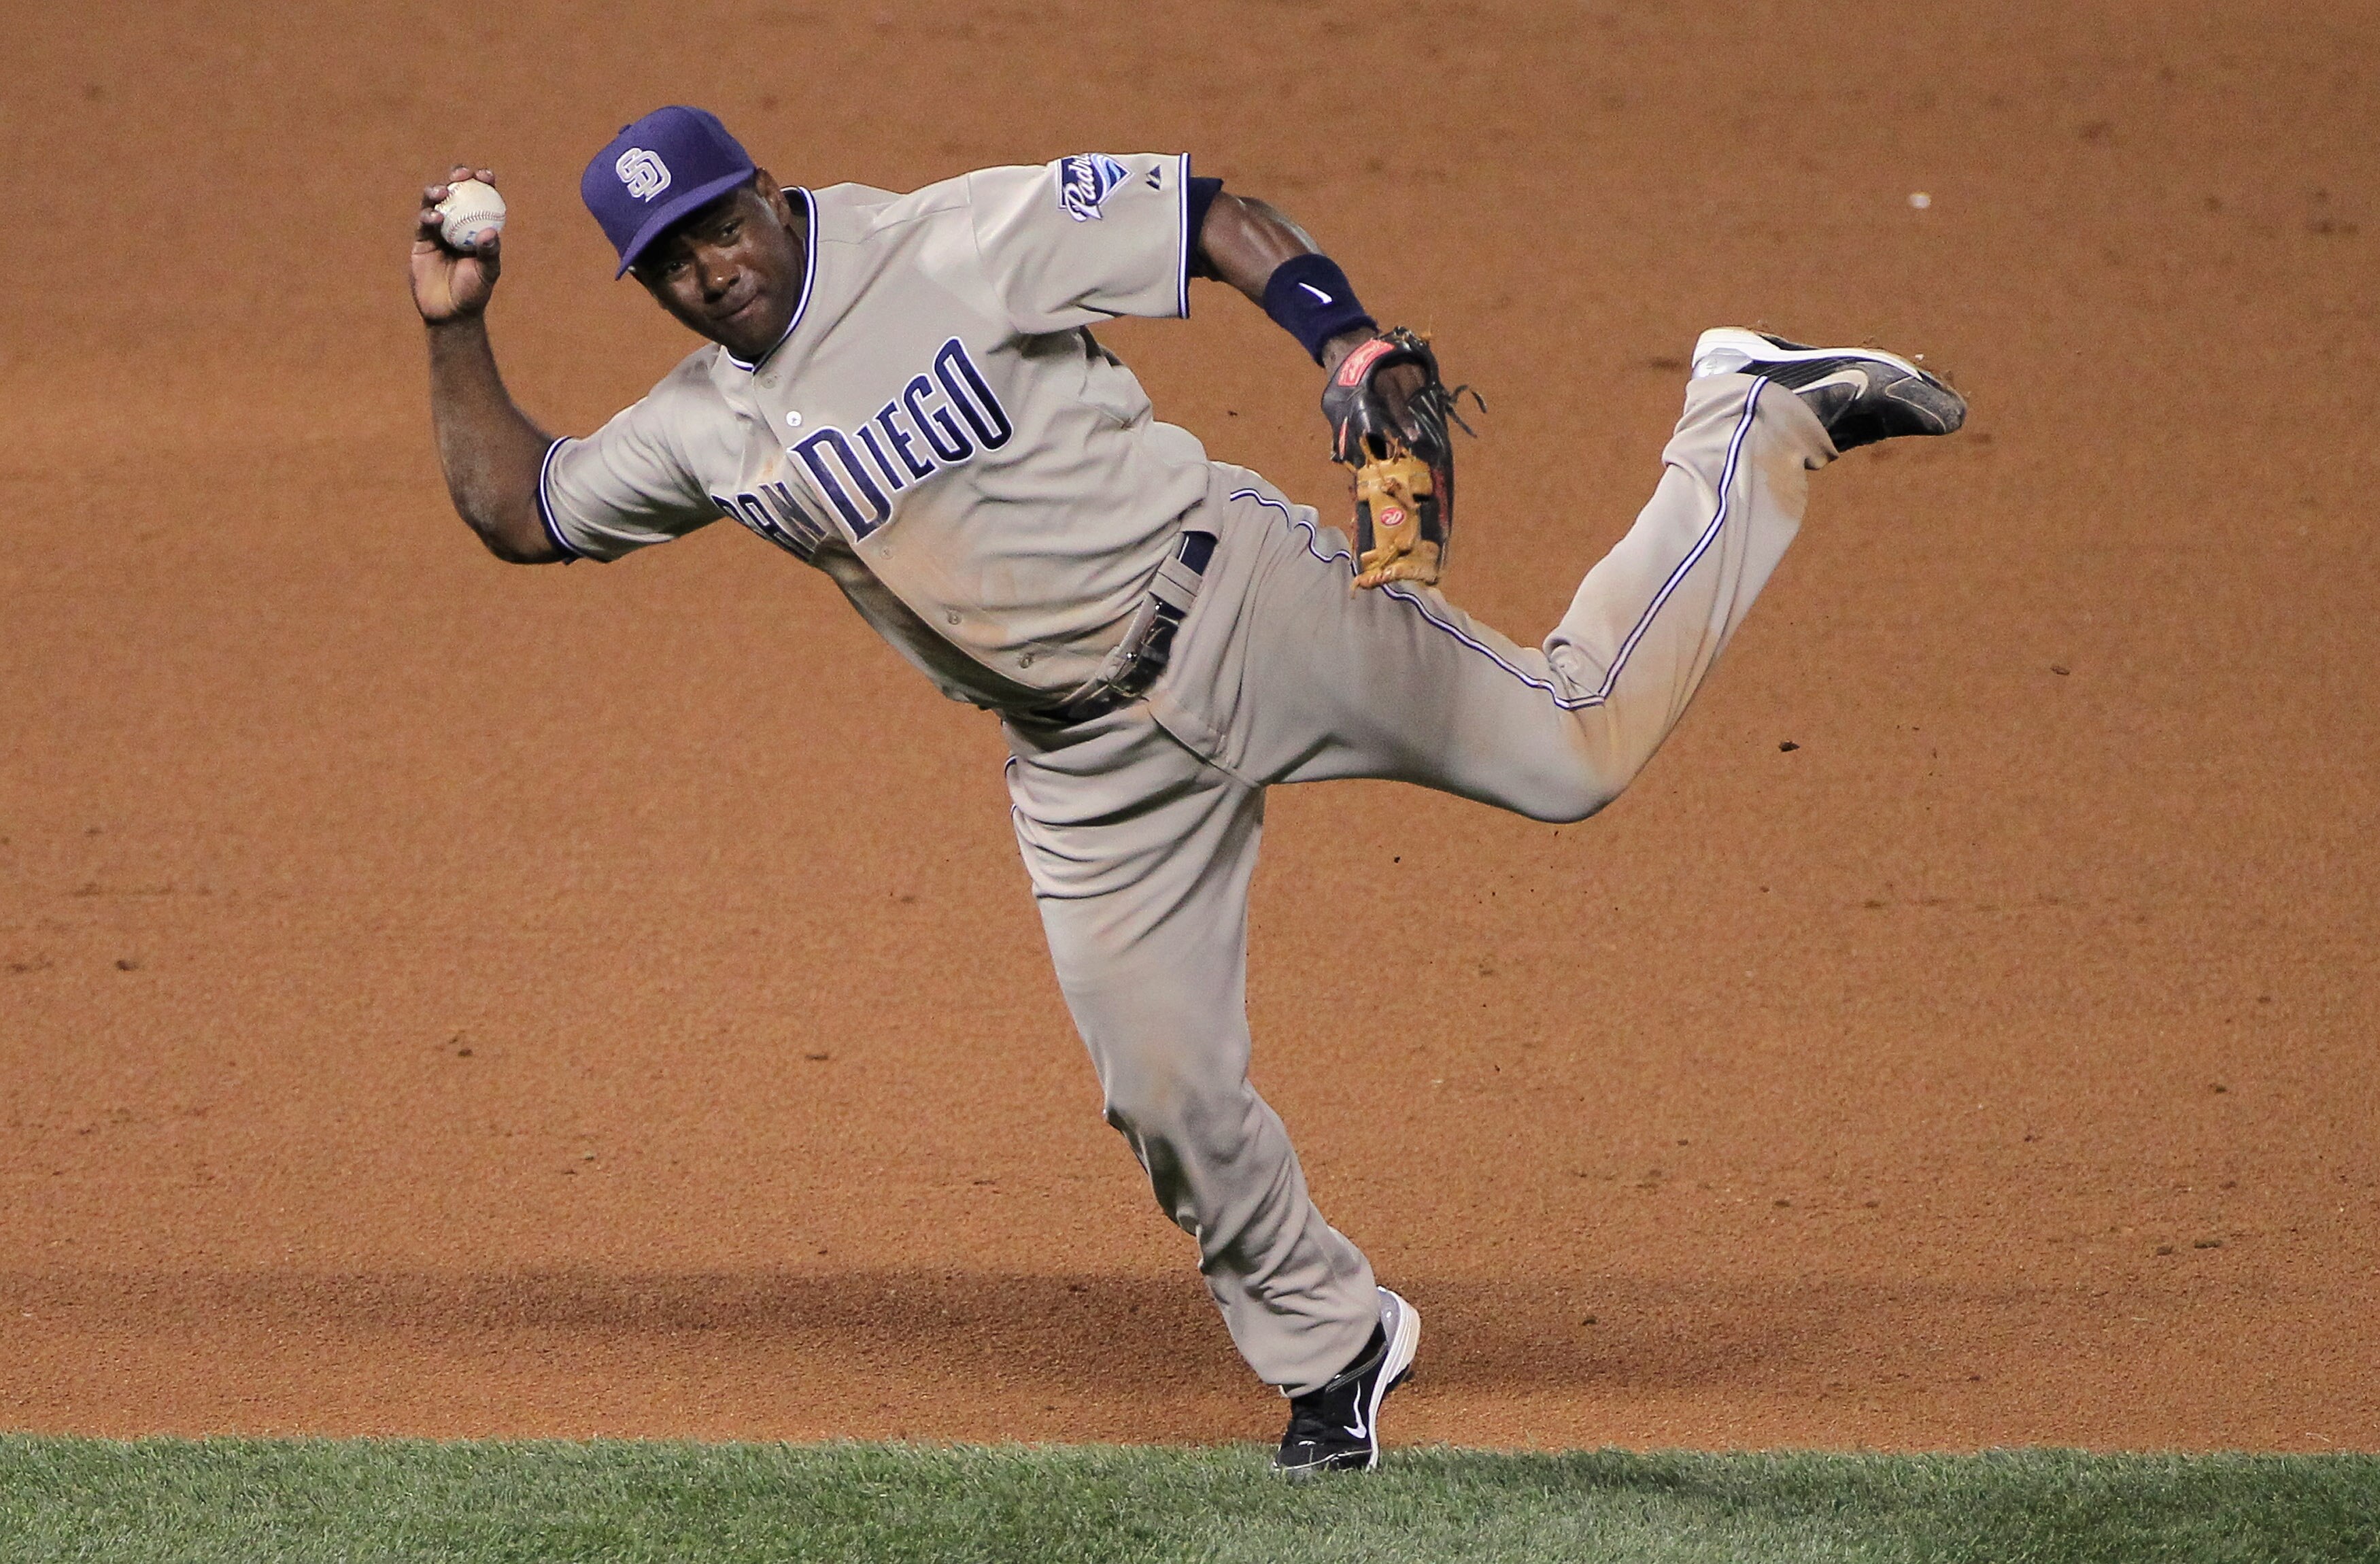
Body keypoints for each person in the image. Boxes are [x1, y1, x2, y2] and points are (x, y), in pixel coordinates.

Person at [410, 105, 1965, 1477]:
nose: (710, 267)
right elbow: (523, 508)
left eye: (717, 224)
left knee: (1574, 750)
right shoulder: (699, 425)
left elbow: (1206, 213)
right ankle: (1336, 1343)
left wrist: (1344, 338)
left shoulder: (956, 237)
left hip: (1237, 600)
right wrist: (452, 323)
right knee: (1160, 1093)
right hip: (1085, 766)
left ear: (767, 188)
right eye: (671, 261)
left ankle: (1752, 413)